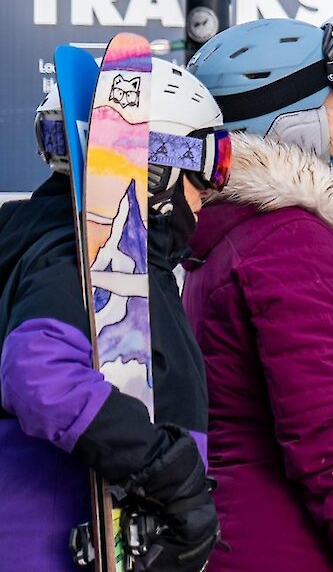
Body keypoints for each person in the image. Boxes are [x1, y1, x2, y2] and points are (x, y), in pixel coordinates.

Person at [181, 13, 333, 571]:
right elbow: (328, 446)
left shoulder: (239, 238)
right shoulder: (289, 245)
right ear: (290, 126)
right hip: (289, 550)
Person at [0, 58, 227, 572]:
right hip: (46, 549)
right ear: (156, 171)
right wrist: (166, 468)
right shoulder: (78, 254)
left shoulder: (45, 241)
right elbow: (40, 373)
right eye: (209, 168)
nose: (212, 191)